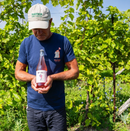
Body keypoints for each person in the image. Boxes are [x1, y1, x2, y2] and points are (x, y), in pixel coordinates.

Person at [15, 3, 79, 131]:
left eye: (42, 28)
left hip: (56, 108)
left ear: (50, 22)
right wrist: (33, 78)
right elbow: (18, 72)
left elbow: (74, 71)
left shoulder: (62, 42)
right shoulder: (26, 43)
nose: (38, 32)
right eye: (35, 29)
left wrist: (52, 78)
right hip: (33, 108)